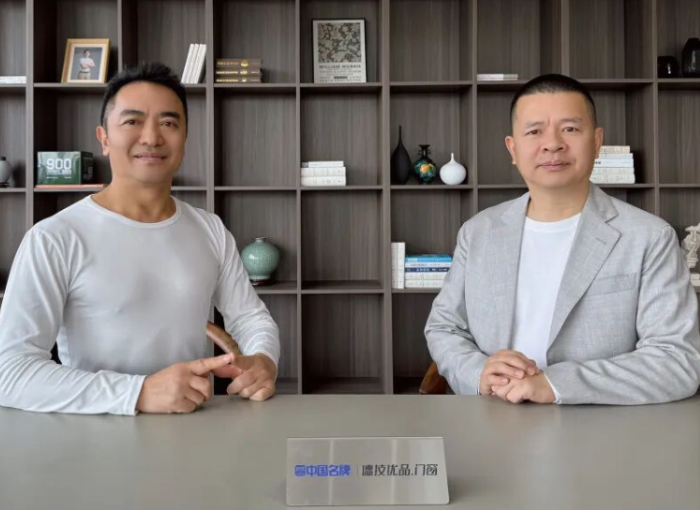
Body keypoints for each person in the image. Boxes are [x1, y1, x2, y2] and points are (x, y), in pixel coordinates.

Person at [0, 63, 280, 415]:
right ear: (104, 138)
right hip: (92, 435)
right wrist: (138, 392)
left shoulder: (210, 229)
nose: (151, 137)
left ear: (184, 139)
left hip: (194, 428)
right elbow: (10, 372)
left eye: (168, 123)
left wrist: (263, 359)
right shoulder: (54, 238)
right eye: (132, 121)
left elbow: (251, 318)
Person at [425, 73, 700, 405]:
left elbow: (677, 361)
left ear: (596, 141)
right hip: (493, 415)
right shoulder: (478, 232)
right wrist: (478, 371)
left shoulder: (649, 237)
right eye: (534, 131)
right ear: (513, 148)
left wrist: (557, 385)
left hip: (601, 423)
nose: (552, 144)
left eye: (569, 129)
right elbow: (444, 327)